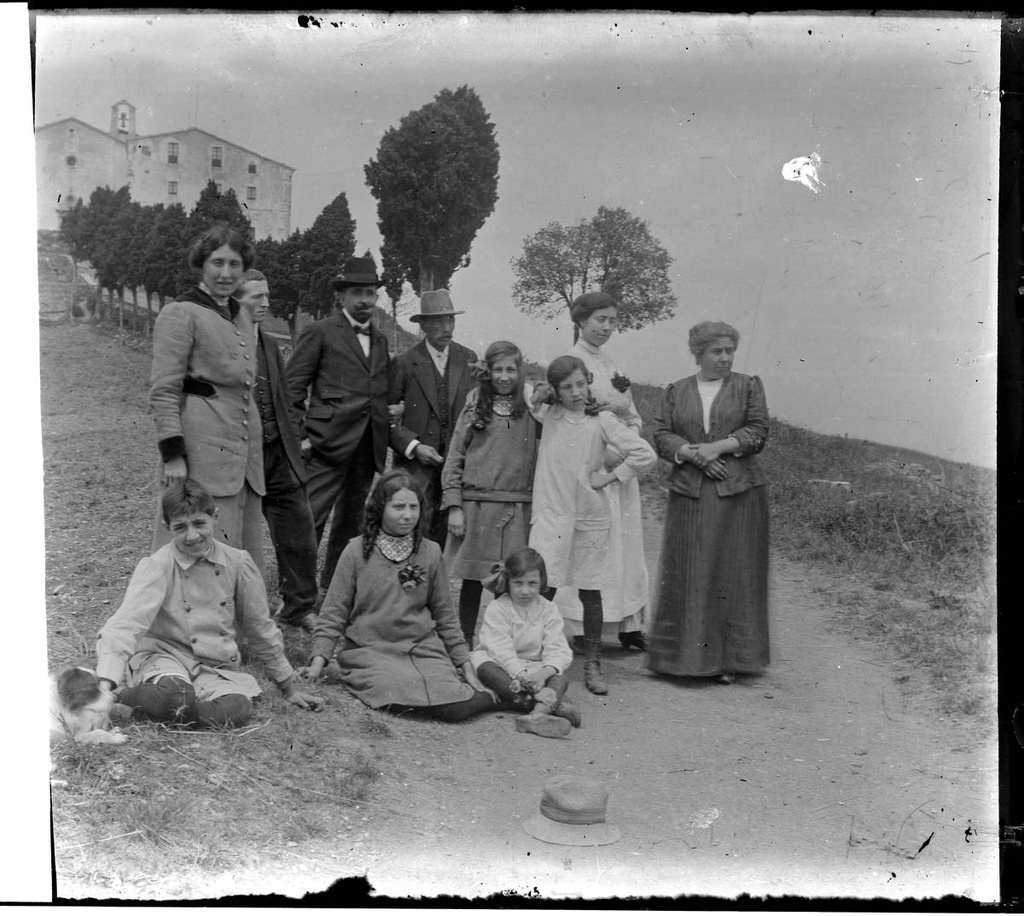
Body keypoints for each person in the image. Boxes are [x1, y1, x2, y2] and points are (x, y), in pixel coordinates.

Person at [94, 479, 324, 728]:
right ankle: (122, 698)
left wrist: (288, 687)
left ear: (215, 516)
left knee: (239, 708)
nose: (192, 536)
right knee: (177, 695)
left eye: (199, 524)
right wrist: (105, 689)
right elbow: (126, 625)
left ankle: (150, 711)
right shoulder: (158, 567)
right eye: (180, 527)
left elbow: (259, 626)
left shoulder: (237, 563)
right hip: (165, 657)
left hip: (213, 668)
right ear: (166, 526)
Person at [300, 470, 502, 722]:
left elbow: (446, 617)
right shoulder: (355, 551)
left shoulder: (430, 552)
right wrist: (318, 663)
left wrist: (467, 669)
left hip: (423, 651)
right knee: (390, 693)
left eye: (413, 507)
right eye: (398, 507)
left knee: (454, 703)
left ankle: (512, 700)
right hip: (371, 653)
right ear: (380, 508)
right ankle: (501, 700)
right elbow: (333, 614)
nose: (407, 516)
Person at [647, 321, 770, 683]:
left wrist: (717, 447)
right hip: (690, 492)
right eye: (717, 351)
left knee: (731, 573)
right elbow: (661, 434)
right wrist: (690, 453)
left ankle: (729, 660)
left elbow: (758, 431)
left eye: (730, 350)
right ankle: (680, 659)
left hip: (739, 494)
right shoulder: (676, 391)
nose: (725, 358)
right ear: (698, 353)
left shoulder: (747, 386)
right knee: (688, 569)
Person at [529, 355, 657, 695]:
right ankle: (531, 657)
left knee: (590, 592)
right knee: (545, 587)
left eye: (581, 384)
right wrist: (541, 392)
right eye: (566, 387)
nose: (575, 392)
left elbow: (645, 454)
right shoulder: (549, 414)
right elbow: (530, 396)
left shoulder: (602, 420)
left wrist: (612, 476)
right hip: (552, 515)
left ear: (589, 383)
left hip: (589, 518)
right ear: (556, 391)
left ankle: (593, 664)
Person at [149, 223, 265, 569]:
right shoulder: (181, 313)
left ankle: (237, 620)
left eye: (234, 264)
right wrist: (173, 455)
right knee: (196, 541)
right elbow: (164, 390)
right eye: (217, 263)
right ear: (201, 264)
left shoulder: (241, 314)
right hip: (202, 450)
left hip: (243, 455)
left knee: (237, 548)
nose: (226, 273)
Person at [285, 256, 393, 593]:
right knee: (308, 523)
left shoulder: (381, 339)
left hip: (365, 449)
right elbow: (291, 389)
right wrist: (302, 437)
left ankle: (332, 598)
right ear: (342, 296)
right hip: (325, 445)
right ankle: (296, 599)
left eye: (370, 294)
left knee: (350, 528)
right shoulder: (319, 332)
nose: (365, 300)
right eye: (358, 293)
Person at [235, 269, 321, 631]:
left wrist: (297, 437)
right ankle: (242, 611)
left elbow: (286, 397)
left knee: (299, 529)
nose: (266, 303)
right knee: (238, 535)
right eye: (257, 297)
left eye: (267, 295)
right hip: (241, 457)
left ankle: (299, 607)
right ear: (234, 300)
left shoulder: (269, 343)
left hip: (280, 453)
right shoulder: (221, 340)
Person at [564, 291, 649, 652]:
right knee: (593, 546)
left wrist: (627, 443)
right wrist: (606, 451)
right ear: (581, 321)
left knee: (625, 543)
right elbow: (570, 420)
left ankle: (628, 623)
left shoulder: (614, 366)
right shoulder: (569, 363)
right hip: (591, 468)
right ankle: (583, 627)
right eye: (600, 320)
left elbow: (632, 415)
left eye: (613, 321)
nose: (607, 327)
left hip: (620, 467)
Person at [440, 340, 540, 645]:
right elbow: (455, 455)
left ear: (520, 370)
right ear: (488, 371)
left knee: (509, 582)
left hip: (516, 507)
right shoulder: (475, 403)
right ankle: (465, 644)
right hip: (477, 506)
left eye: (511, 369)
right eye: (498, 369)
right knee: (472, 581)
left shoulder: (532, 407)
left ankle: (504, 645)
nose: (504, 376)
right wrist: (454, 505)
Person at [388, 289, 478, 549]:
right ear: (423, 325)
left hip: (455, 469)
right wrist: (414, 448)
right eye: (438, 321)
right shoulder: (405, 363)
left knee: (442, 542)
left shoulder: (468, 359)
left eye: (450, 320)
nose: (446, 327)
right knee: (410, 532)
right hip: (416, 469)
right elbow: (385, 418)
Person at [470, 547, 582, 739]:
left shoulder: (548, 609)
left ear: (542, 583)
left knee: (560, 678)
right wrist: (524, 679)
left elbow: (557, 648)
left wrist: (543, 673)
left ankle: (534, 717)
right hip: (505, 668)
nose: (525, 590)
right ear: (508, 582)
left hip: (535, 670)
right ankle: (548, 706)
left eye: (532, 583)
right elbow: (500, 651)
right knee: (487, 668)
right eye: (518, 583)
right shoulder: (499, 608)